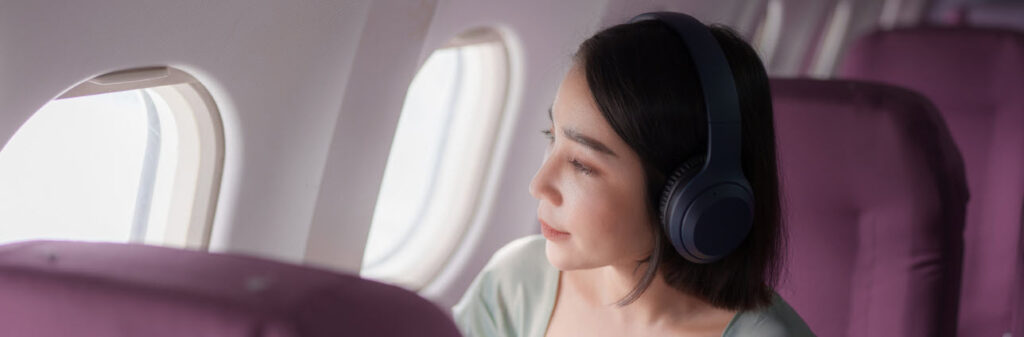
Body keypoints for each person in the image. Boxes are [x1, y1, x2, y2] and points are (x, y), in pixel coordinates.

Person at [453, 12, 816, 337]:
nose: (538, 185)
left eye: (582, 164)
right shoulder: (515, 283)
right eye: (552, 137)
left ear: (692, 198)